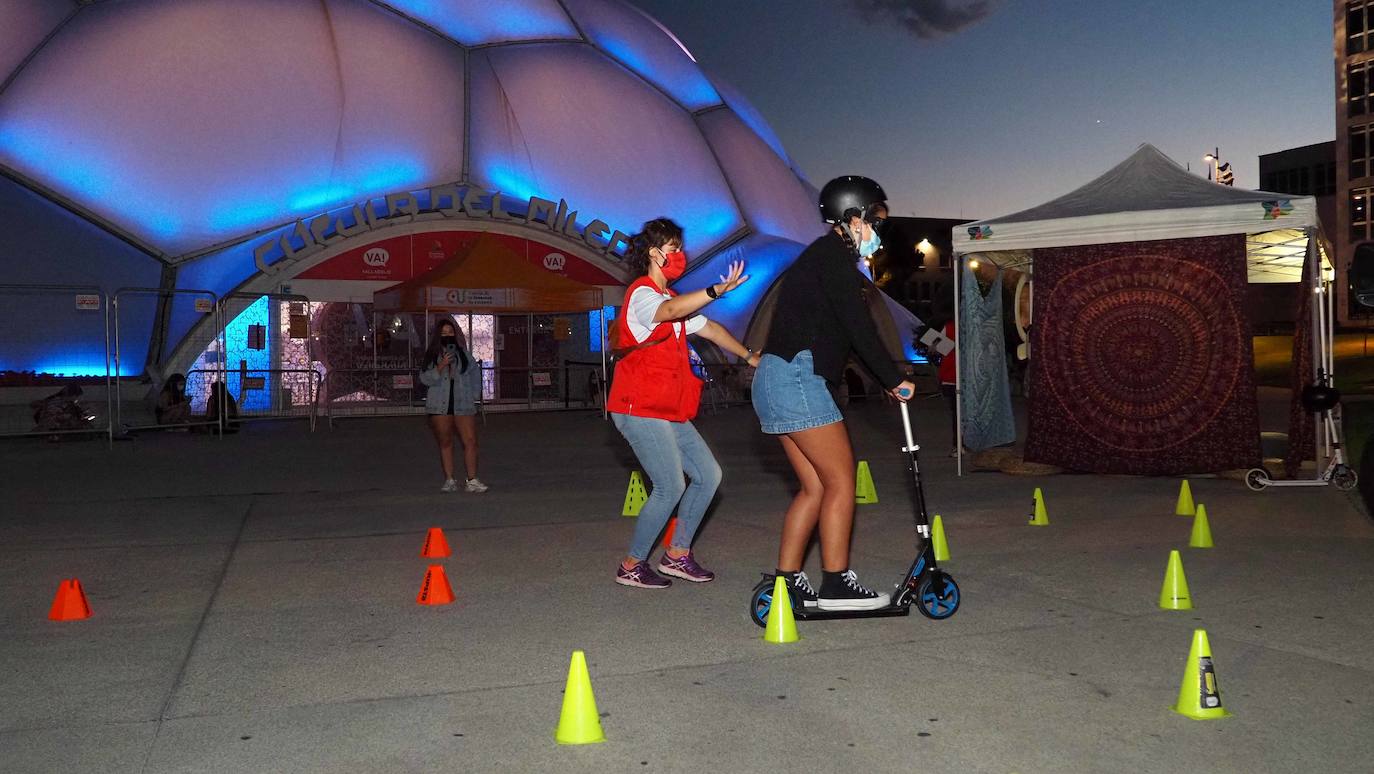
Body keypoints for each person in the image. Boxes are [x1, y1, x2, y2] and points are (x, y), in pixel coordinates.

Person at [752, 176, 916, 612]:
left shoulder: (819, 258)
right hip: (797, 378)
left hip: (775, 376)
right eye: (875, 219)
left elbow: (841, 331)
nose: (879, 229)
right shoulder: (834, 260)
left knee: (814, 487)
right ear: (853, 218)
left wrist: (880, 376)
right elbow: (858, 329)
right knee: (842, 481)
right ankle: (836, 584)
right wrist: (892, 379)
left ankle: (788, 583)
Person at [608, 217, 758, 589]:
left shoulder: (673, 299)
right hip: (637, 406)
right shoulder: (642, 296)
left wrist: (750, 356)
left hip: (667, 407)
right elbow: (670, 314)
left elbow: (711, 329)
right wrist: (716, 289)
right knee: (670, 486)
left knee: (709, 475)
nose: (680, 256)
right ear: (655, 254)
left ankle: (677, 554)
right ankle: (632, 563)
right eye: (674, 249)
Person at [419, 317, 486, 493]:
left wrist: (473, 395)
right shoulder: (432, 355)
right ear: (437, 336)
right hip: (439, 406)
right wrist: (441, 366)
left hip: (463, 404)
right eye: (444, 333)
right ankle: (449, 479)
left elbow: (474, 374)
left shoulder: (464, 354)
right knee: (445, 441)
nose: (448, 335)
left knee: (470, 441)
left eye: (450, 332)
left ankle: (472, 479)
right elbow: (425, 378)